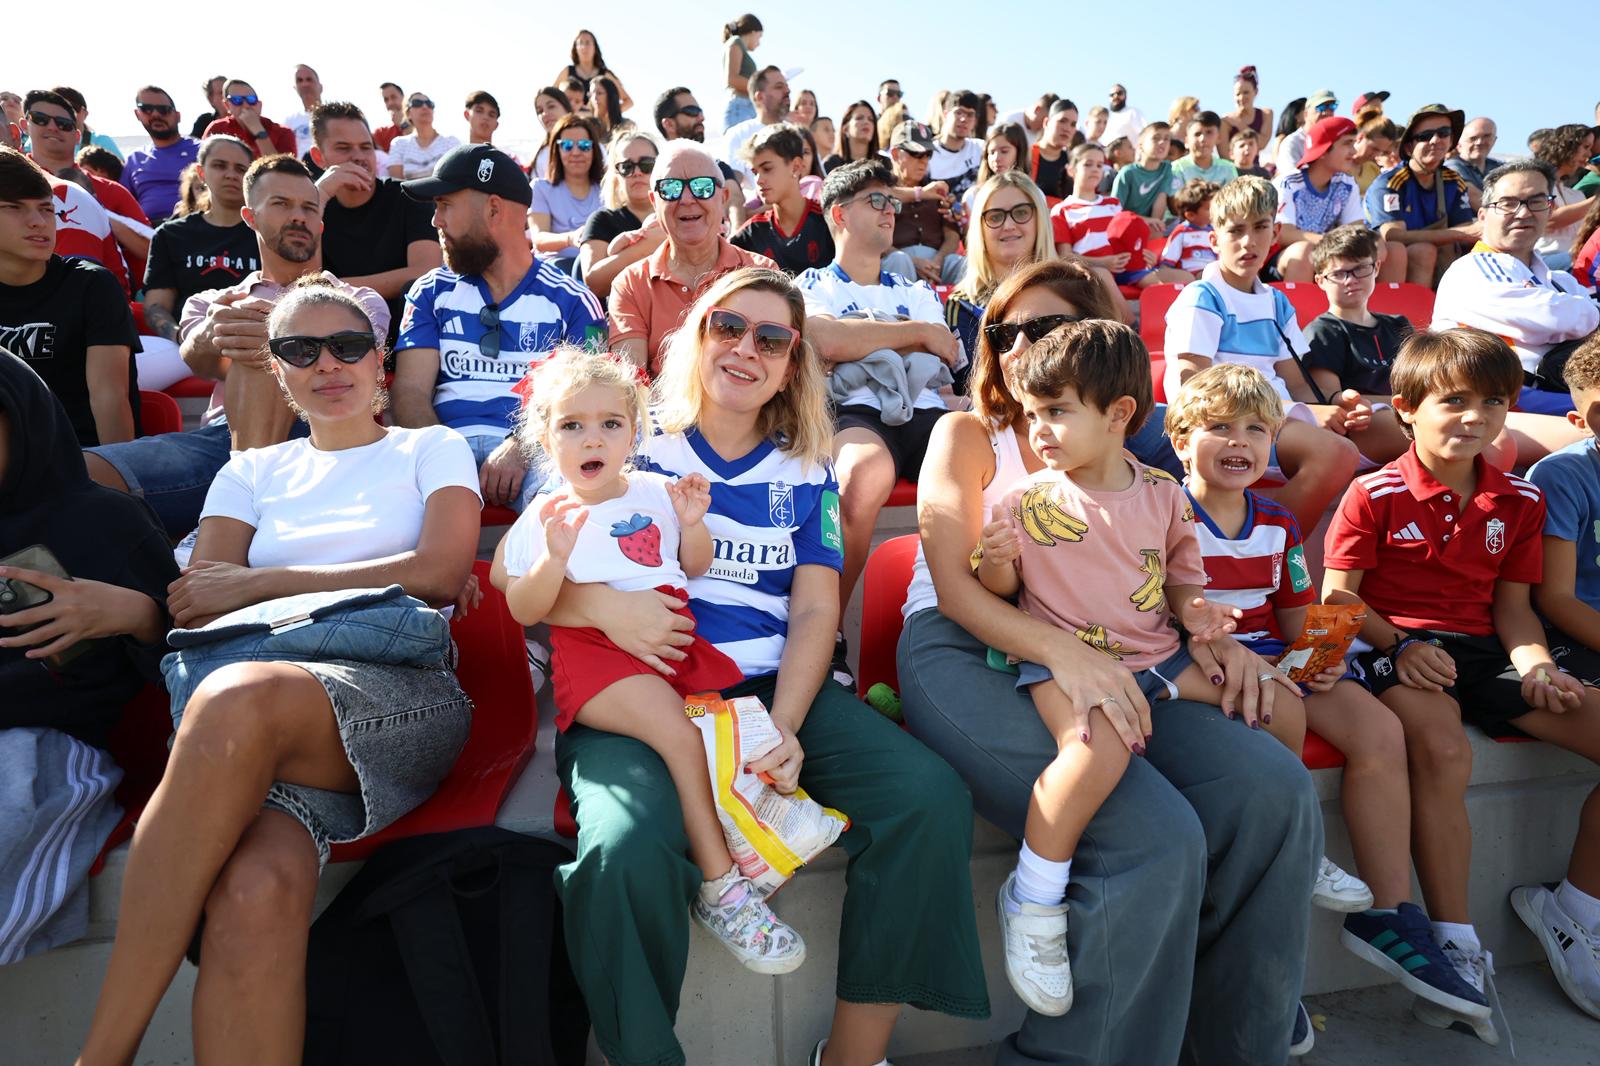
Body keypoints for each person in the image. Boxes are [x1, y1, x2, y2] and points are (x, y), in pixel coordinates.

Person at [546, 265, 989, 1066]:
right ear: (697, 336)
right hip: (641, 687)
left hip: (769, 686)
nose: (746, 348)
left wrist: (783, 724)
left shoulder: (808, 471)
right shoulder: (627, 438)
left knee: (926, 797)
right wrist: (604, 610)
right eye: (728, 326)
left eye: (773, 339)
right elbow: (536, 576)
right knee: (622, 850)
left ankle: (853, 1055)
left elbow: (817, 609)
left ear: (792, 365)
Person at [900, 255, 1322, 1064]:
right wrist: (1065, 654)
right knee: (1153, 836)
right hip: (974, 644)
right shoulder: (970, 433)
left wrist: (1212, 637)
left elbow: (1162, 569)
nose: (1020, 347)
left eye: (1046, 327)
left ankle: (1240, 1035)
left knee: (1273, 789)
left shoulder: (1142, 450)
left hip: (1126, 650)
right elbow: (957, 589)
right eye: (1003, 331)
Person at [75, 277, 481, 1066]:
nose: (328, 364)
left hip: (395, 695)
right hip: (258, 716)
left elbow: (438, 573)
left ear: (380, 360)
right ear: (278, 369)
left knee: (235, 697)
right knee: (252, 893)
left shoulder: (429, 448)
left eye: (348, 346)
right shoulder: (251, 471)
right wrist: (359, 579)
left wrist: (261, 582)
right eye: (301, 349)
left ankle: (102, 1054)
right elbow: (199, 602)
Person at [1168, 363, 1494, 1019]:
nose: (1238, 442)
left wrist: (1318, 658)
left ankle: (1389, 913)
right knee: (1279, 703)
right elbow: (1157, 616)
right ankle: (1290, 873)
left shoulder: (1278, 521)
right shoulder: (1162, 512)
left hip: (1272, 658)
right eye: (1219, 427)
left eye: (1256, 430)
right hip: (1198, 660)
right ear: (1179, 439)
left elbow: (1296, 618)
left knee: (1380, 730)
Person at [1322, 328, 1598, 1045]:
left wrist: (1537, 667)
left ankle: (1575, 910)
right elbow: (1337, 599)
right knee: (1445, 751)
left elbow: (1514, 613)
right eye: (1455, 400)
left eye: (1494, 402)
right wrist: (1401, 645)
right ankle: (1455, 939)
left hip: (1484, 652)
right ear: (1407, 408)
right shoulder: (1372, 492)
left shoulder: (1520, 500)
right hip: (1395, 646)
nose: (1476, 416)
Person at [491, 344, 803, 972]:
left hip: (669, 647)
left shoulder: (656, 490)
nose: (592, 438)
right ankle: (722, 887)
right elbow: (524, 608)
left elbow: (694, 565)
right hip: (597, 660)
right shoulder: (548, 513)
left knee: (729, 733)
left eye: (610, 423)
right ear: (545, 439)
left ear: (634, 431)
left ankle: (757, 838)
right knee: (682, 740)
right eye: (572, 425)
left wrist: (693, 523)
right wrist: (553, 559)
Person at [975, 321, 1249, 1018]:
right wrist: (997, 559)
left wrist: (1199, 615)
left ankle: (1302, 856)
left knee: (1274, 702)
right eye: (1031, 413)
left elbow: (1182, 580)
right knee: (1097, 748)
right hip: (1069, 666)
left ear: (1119, 413)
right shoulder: (1025, 499)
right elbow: (1001, 592)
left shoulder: (1164, 491)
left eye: (1056, 411)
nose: (1038, 429)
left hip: (1159, 656)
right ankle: (1034, 897)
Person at [84, 155, 389, 538]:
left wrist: (272, 335)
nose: (299, 217)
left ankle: (238, 510)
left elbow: (356, 367)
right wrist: (213, 330)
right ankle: (243, 510)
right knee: (80, 471)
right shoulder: (215, 302)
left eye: (309, 208)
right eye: (281, 204)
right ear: (250, 217)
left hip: (325, 437)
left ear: (321, 223)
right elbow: (198, 360)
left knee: (268, 343)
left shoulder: (359, 301)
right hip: (222, 442)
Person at [0, 349, 178, 965]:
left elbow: (190, 665)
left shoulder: (103, 519)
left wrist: (137, 613)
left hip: (43, 746)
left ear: (23, 421)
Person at [393, 144, 605, 513]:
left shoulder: (572, 300)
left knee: (567, 505)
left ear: (493, 209)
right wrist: (446, 456)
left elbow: (588, 400)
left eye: (445, 205)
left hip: (539, 449)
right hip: (441, 446)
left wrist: (523, 445)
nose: (435, 221)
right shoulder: (429, 291)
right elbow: (410, 392)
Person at [801, 160, 962, 616]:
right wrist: (913, 333)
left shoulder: (915, 289)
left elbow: (943, 348)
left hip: (927, 410)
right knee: (856, 478)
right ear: (839, 214)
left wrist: (860, 337)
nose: (890, 209)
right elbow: (826, 342)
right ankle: (828, 632)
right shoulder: (810, 285)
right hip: (857, 413)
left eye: (891, 200)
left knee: (987, 469)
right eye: (876, 200)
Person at [1163, 175, 1361, 529]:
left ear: (1276, 231)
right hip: (1235, 423)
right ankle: (1264, 545)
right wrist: (1298, 413)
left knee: (1401, 430)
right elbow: (1191, 386)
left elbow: (1296, 383)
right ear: (1214, 240)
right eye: (1236, 230)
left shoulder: (1277, 302)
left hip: (1280, 417)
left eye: (1260, 227)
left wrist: (1333, 407)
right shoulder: (1203, 297)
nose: (1248, 242)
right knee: (1336, 454)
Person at [1307, 223, 1582, 468]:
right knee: (1495, 441)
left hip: (1425, 407)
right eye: (1339, 273)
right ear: (1320, 280)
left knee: (1573, 433)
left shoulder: (1396, 323)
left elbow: (1425, 379)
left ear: (1376, 268)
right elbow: (1332, 398)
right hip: (1372, 420)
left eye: (1360, 269)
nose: (1351, 280)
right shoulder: (1324, 331)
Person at [1518, 335, 1600, 1024]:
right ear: (1578, 420)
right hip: (1573, 642)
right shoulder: (1565, 474)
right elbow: (1557, 599)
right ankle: (1573, 911)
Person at [1433, 159, 1600, 409]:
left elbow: (1564, 317)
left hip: (1564, 392)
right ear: (1483, 216)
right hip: (1497, 402)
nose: (1523, 213)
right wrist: (1585, 312)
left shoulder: (1561, 281)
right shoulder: (1470, 269)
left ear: (1550, 210)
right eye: (1508, 203)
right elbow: (1550, 316)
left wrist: (1573, 312)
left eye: (1536, 202)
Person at [0, 148, 139, 447]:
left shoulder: (92, 285)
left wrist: (114, 473)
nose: (38, 221)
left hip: (81, 459)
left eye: (46, 208)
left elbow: (109, 398)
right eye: (14, 207)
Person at [607, 141, 777, 376]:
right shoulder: (631, 285)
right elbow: (630, 382)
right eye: (670, 188)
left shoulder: (761, 273)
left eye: (702, 186)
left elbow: (772, 369)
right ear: (654, 202)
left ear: (724, 197)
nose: (686, 199)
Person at [310, 102, 442, 346]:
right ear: (319, 157)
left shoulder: (409, 197)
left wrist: (331, 287)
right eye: (343, 148)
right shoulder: (311, 206)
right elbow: (302, 284)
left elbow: (425, 273)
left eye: (366, 147)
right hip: (332, 340)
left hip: (408, 337)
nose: (359, 157)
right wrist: (318, 198)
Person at [141, 136, 261, 362]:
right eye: (220, 165)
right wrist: (184, 338)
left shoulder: (267, 232)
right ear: (201, 172)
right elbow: (156, 307)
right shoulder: (170, 235)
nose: (231, 175)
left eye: (240, 169)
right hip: (185, 346)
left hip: (255, 345)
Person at [25, 89, 151, 279]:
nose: (53, 127)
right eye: (40, 119)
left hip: (107, 291)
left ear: (77, 135)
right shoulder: (10, 184)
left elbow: (152, 251)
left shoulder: (112, 190)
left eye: (64, 124)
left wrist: (98, 215)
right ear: (24, 125)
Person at [945, 171, 1053, 381]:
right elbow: (973, 384)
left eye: (1021, 213)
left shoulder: (1070, 289)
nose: (1009, 225)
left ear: (1039, 219)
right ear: (980, 229)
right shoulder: (962, 305)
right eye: (995, 217)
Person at [1273, 116, 1405, 284]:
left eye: (1353, 143)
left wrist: (1373, 240)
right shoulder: (1288, 183)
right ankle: (1294, 303)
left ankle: (1379, 301)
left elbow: (1355, 228)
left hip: (1327, 253)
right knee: (1304, 252)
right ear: (1323, 149)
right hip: (1283, 258)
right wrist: (1335, 242)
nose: (1354, 152)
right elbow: (1284, 234)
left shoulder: (1347, 183)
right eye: (1347, 144)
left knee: (1393, 249)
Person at [1364, 104, 1480, 287]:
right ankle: (1410, 305)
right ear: (1409, 147)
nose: (1435, 140)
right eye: (1425, 136)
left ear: (1451, 141)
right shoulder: (1390, 182)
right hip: (1384, 265)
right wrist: (1461, 233)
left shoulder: (1453, 181)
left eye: (1444, 133)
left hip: (1439, 260)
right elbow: (1392, 235)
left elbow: (1465, 228)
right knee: (1422, 251)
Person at [1052, 143, 1188, 290]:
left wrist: (1144, 256)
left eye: (1099, 165)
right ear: (1071, 170)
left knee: (1187, 278)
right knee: (1156, 286)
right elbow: (1065, 256)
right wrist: (1103, 263)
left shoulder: (1113, 203)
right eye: (1088, 164)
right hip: (1093, 272)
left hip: (1128, 268)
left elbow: (1129, 241)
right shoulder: (1062, 210)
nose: (1095, 169)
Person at [733, 124, 834, 276]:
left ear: (796, 167)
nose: (759, 180)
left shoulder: (831, 222)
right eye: (755, 172)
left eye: (767, 169)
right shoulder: (747, 236)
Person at [577, 130, 657, 299]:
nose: (637, 172)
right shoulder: (602, 220)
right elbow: (593, 282)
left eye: (647, 165)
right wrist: (648, 245)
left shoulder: (678, 214)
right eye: (627, 167)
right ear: (616, 175)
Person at [880, 121, 962, 286]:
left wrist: (938, 260)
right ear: (895, 154)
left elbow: (952, 236)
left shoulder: (937, 189)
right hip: (897, 260)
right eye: (916, 153)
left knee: (963, 264)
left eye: (928, 154)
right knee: (899, 260)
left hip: (936, 262)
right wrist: (912, 261)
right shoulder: (879, 187)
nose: (924, 160)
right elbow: (874, 238)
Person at [530, 115, 604, 275]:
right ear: (556, 150)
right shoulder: (540, 188)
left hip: (598, 268)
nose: (576, 152)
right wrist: (570, 239)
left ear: (594, 149)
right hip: (555, 272)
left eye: (584, 145)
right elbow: (538, 239)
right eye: (567, 145)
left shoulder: (607, 188)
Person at [121, 86, 199, 223]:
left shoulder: (203, 151)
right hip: (148, 230)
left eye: (164, 110)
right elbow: (122, 205)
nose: (156, 114)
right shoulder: (135, 159)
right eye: (147, 109)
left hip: (193, 224)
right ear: (138, 114)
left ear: (178, 116)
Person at [1532, 123, 1596, 271]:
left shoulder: (1576, 195)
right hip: (1542, 260)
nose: (1589, 155)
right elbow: (1551, 219)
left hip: (1573, 260)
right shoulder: (1536, 183)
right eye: (1586, 147)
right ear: (1567, 146)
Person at [721, 65, 789, 187]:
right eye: (779, 87)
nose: (787, 91)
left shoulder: (799, 135)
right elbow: (732, 186)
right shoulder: (738, 134)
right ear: (760, 97)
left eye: (786, 86)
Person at [202, 78, 297, 159]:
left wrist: (258, 131)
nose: (246, 105)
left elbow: (283, 171)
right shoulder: (217, 129)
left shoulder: (283, 133)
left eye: (251, 99)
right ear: (227, 105)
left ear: (259, 105)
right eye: (237, 100)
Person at [1110, 122, 1177, 235]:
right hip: (1126, 229)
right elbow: (1114, 211)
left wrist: (1155, 223)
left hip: (1150, 229)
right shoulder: (1127, 173)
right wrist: (1147, 221)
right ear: (1140, 146)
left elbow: (1161, 199)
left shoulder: (1166, 168)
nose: (1162, 142)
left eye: (1167, 139)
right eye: (1156, 138)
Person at [553, 29, 633, 112]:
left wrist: (607, 115)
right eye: (580, 43)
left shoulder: (605, 75)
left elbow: (628, 102)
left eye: (587, 43)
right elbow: (550, 96)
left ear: (595, 47)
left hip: (595, 120)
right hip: (571, 119)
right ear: (575, 48)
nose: (584, 47)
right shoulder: (567, 72)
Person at [385, 92, 459, 180]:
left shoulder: (451, 142)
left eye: (429, 104)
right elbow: (396, 183)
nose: (425, 106)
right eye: (417, 103)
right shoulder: (399, 144)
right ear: (408, 114)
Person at [929, 90, 986, 203]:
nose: (963, 119)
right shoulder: (927, 153)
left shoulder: (981, 149)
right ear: (945, 114)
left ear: (975, 121)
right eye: (959, 112)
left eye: (970, 115)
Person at [1159, 179, 1219, 274]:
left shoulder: (1215, 231)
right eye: (1209, 209)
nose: (1216, 211)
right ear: (1191, 215)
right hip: (1192, 274)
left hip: (1213, 272)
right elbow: (1167, 262)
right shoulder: (1181, 232)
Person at [51, 87, 122, 163]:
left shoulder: (101, 142)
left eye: (73, 108)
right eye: (59, 108)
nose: (66, 113)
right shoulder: (44, 143)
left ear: (85, 113)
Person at [1220, 66, 1274, 161]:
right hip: (1233, 168)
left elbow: (1261, 144)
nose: (1241, 98)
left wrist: (1238, 123)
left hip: (1255, 167)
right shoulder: (1225, 121)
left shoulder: (1266, 114)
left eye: (1246, 92)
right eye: (1238, 94)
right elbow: (1224, 157)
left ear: (1256, 92)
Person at [1276, 90, 1335, 174]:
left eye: (1332, 107)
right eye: (1321, 107)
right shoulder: (1292, 143)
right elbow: (1291, 178)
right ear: (1306, 114)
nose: (1327, 112)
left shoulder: (1336, 143)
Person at [1171, 112, 1239, 187]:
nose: (1203, 139)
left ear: (1218, 138)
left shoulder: (1228, 168)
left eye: (1209, 132)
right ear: (1186, 141)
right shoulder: (1176, 168)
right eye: (1197, 134)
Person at [721, 14, 763, 131]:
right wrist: (761, 87)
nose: (759, 43)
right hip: (740, 108)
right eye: (759, 37)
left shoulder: (738, 45)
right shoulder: (736, 42)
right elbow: (732, 79)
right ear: (754, 32)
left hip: (745, 107)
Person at [1445, 117, 1503, 203]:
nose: (1479, 142)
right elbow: (1476, 199)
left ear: (1494, 140)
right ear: (1459, 143)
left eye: (1486, 136)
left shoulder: (1500, 167)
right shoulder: (1451, 167)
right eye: (1473, 138)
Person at [1029, 99, 1078, 200]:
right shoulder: (1026, 155)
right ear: (1046, 122)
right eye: (1062, 121)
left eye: (1073, 124)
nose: (1067, 128)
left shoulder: (1073, 163)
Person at [530, 85, 575, 181]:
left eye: (551, 106)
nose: (544, 114)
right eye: (540, 111)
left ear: (566, 108)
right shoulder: (541, 154)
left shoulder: (590, 143)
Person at [823, 100, 878, 172]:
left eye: (871, 119)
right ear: (845, 128)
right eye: (859, 118)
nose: (866, 122)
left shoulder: (885, 163)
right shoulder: (831, 163)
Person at [282, 64, 322, 157]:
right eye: (299, 80)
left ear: (320, 87)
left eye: (309, 79)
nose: (305, 84)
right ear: (295, 88)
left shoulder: (336, 116)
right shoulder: (289, 122)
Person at [1352, 116, 1399, 193]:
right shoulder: (1338, 164)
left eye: (1381, 152)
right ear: (1360, 137)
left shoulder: (1374, 170)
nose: (1376, 155)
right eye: (1374, 149)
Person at [1266, 98, 1307, 173]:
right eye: (1305, 109)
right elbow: (1277, 163)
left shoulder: (1306, 138)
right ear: (1296, 116)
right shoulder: (1282, 139)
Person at [371, 82, 411, 154]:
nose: (390, 103)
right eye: (386, 100)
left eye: (393, 97)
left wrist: (404, 125)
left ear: (404, 98)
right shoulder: (380, 133)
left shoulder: (420, 126)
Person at [189, 75, 226, 140]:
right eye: (221, 93)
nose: (227, 96)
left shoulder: (243, 120)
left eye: (229, 92)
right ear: (210, 98)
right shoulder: (204, 122)